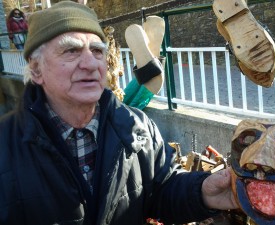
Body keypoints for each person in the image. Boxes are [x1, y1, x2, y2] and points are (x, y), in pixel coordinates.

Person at [0, 1, 238, 225]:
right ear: (36, 69)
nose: (90, 64)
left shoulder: (137, 127)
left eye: (97, 51)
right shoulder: (5, 145)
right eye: (71, 51)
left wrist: (203, 192)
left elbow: (161, 191)